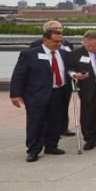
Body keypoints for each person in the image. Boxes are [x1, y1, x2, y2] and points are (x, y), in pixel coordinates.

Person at [9, 26, 80, 162]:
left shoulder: (64, 53)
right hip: (36, 94)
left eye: (61, 42)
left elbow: (69, 69)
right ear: (45, 40)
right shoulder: (29, 54)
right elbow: (19, 75)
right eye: (55, 42)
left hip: (59, 92)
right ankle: (33, 150)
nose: (59, 44)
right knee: (36, 122)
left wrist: (74, 74)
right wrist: (15, 94)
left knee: (55, 120)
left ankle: (52, 145)